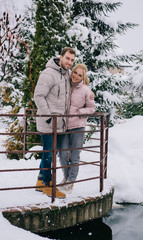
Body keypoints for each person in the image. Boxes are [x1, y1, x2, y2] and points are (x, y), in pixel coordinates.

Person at [34, 47, 76, 198]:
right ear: (60, 57)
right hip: (49, 122)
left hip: (59, 124)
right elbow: (38, 96)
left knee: (51, 152)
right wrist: (49, 117)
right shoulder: (48, 73)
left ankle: (40, 181)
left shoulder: (66, 75)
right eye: (67, 58)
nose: (70, 62)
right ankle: (47, 185)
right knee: (49, 154)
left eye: (72, 60)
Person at [59, 64, 96, 193]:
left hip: (78, 127)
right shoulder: (65, 85)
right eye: (75, 73)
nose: (76, 76)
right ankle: (66, 177)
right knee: (62, 154)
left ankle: (71, 182)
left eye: (79, 75)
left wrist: (79, 111)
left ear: (83, 77)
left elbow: (92, 108)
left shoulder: (86, 90)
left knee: (75, 155)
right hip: (64, 126)